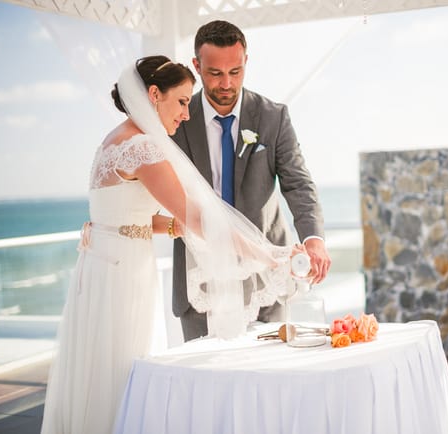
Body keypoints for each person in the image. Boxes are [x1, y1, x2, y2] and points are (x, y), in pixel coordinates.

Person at [41, 55, 298, 434]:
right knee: (123, 369)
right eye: (181, 102)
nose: (186, 114)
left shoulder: (113, 139)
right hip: (123, 274)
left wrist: (171, 227)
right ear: (155, 94)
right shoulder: (144, 147)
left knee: (99, 369)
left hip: (100, 266)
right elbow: (197, 216)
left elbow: (123, 216)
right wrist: (267, 255)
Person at [172, 20, 332, 341]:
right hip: (200, 270)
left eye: (236, 71)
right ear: (197, 66)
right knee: (206, 379)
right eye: (215, 73)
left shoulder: (273, 117)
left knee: (270, 373)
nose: (227, 83)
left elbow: (297, 183)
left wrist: (313, 238)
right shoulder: (177, 119)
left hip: (266, 272)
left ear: (246, 62)